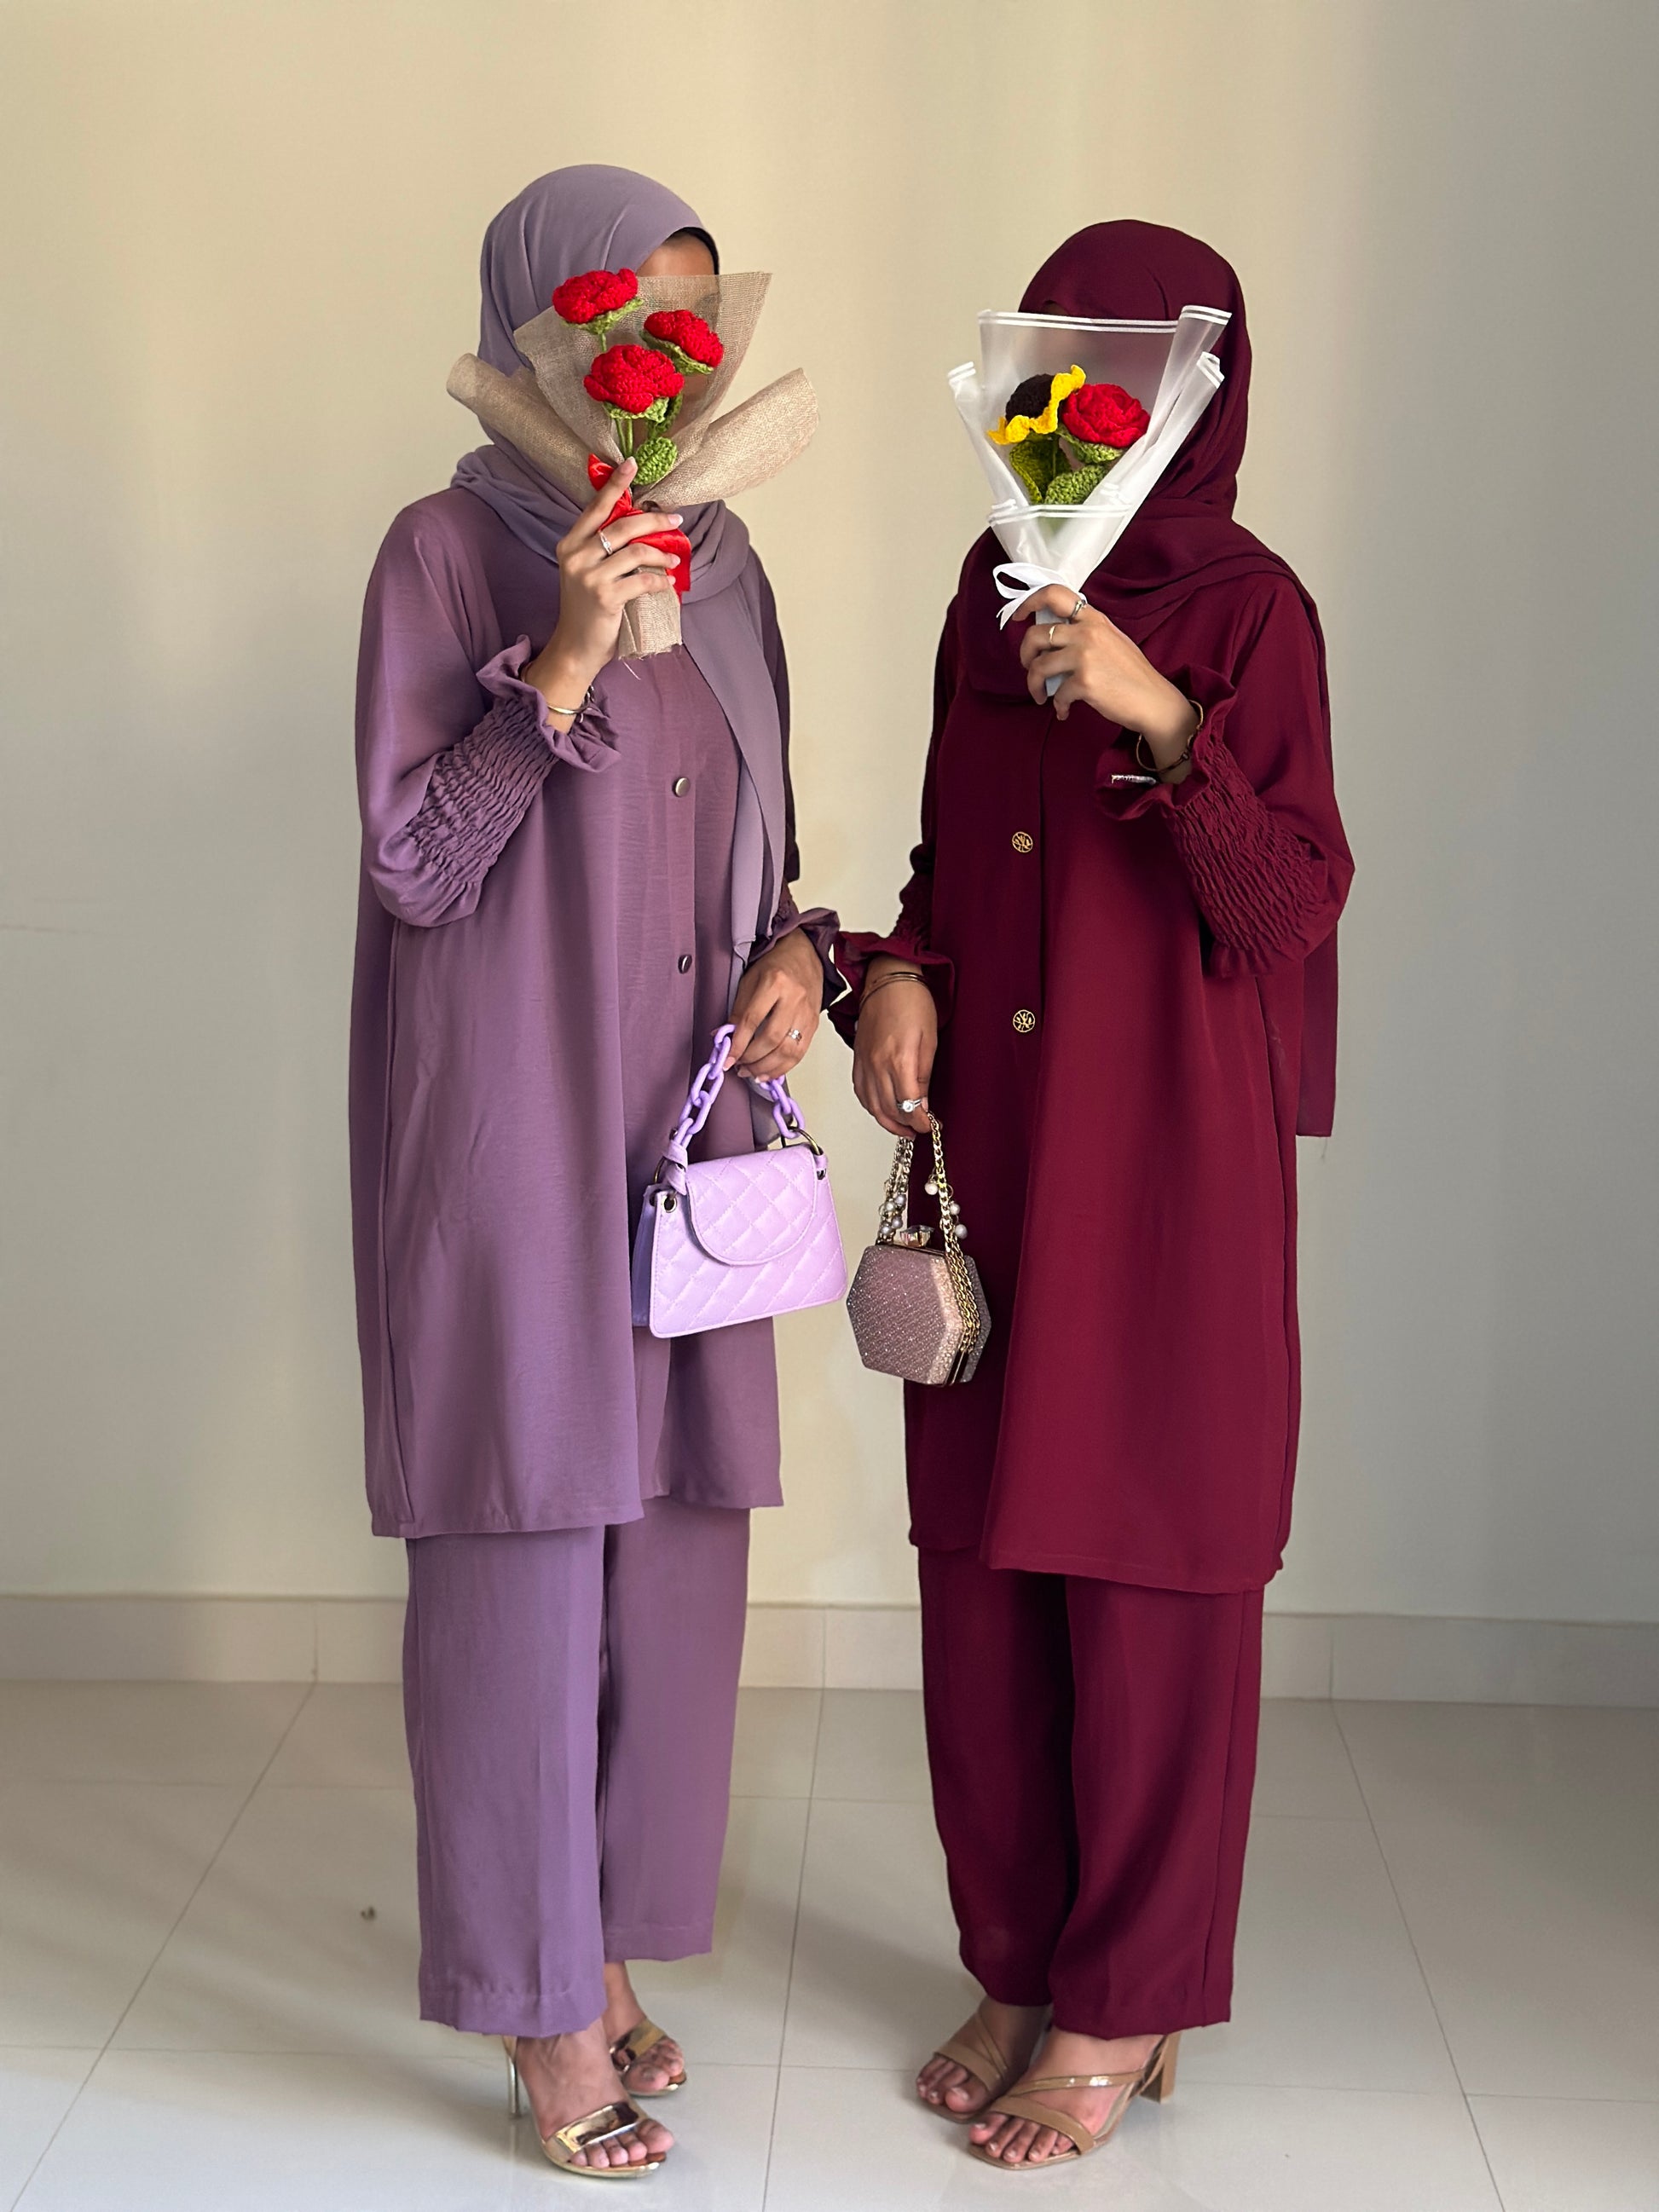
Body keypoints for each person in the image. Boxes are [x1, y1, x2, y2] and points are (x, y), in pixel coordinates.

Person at [840, 220, 1352, 2172]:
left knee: (1146, 1578)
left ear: (1198, 390)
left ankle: (1123, 1999)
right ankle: (1018, 1963)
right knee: (981, 1581)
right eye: (1063, 367)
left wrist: (1160, 713)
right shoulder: (987, 598)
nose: (1088, 406)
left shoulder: (1250, 610)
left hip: (1162, 1175)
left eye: (1130, 369)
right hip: (994, 1160)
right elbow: (940, 858)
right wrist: (902, 970)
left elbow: (1285, 907)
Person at [349, 165, 835, 2177]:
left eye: (692, 316)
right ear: (535, 326)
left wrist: (801, 954)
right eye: (624, 314)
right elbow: (415, 862)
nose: (664, 355)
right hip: (513, 1124)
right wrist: (562, 646)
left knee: (675, 1552)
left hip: (687, 1129)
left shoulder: (727, 564)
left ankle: (606, 1937)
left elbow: (766, 845)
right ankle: (534, 1995)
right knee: (525, 1541)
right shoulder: (448, 550)